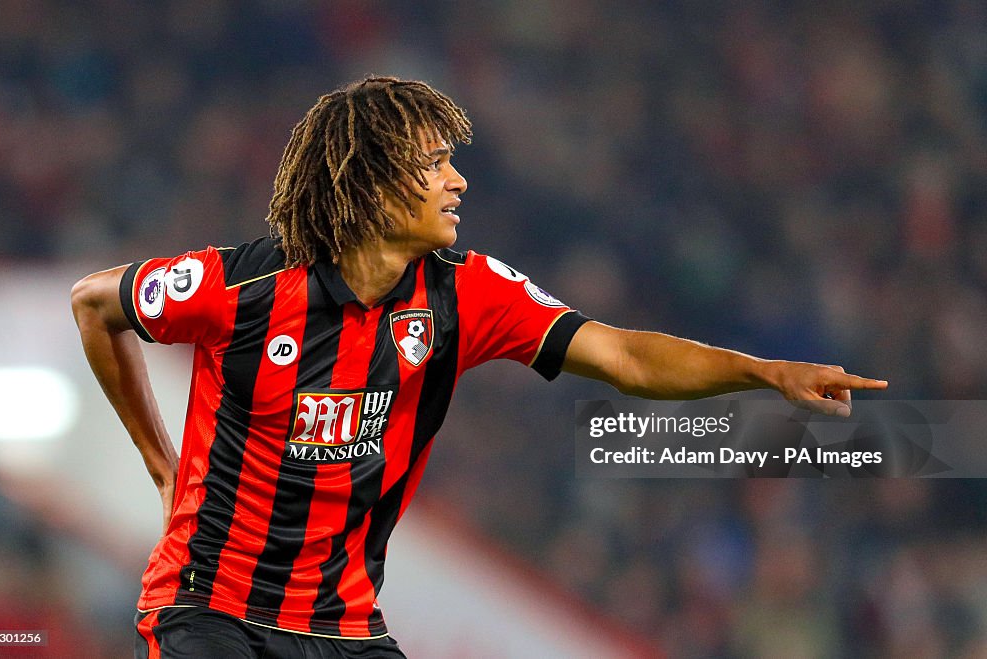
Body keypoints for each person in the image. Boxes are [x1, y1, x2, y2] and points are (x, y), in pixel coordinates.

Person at [71, 76, 887, 658]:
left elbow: (624, 354)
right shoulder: (240, 285)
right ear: (374, 180)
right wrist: (156, 453)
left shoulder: (469, 292)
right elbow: (93, 305)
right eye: (433, 164)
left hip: (344, 623)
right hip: (211, 608)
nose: (458, 180)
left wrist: (763, 372)